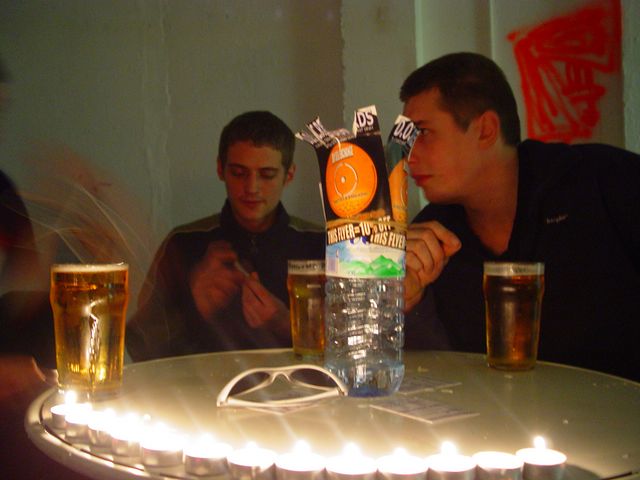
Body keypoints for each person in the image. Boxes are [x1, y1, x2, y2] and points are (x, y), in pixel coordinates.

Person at [401, 52, 640, 381]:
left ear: (486, 130)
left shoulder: (599, 182)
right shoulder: (429, 236)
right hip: (499, 414)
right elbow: (439, 374)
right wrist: (408, 302)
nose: (408, 156)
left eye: (422, 133)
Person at [126, 111, 325, 361]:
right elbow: (138, 348)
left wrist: (287, 323)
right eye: (239, 173)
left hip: (296, 384)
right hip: (198, 386)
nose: (252, 188)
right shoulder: (184, 243)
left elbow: (355, 346)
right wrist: (193, 306)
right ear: (221, 169)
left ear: (289, 175)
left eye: (267, 175)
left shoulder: (319, 244)